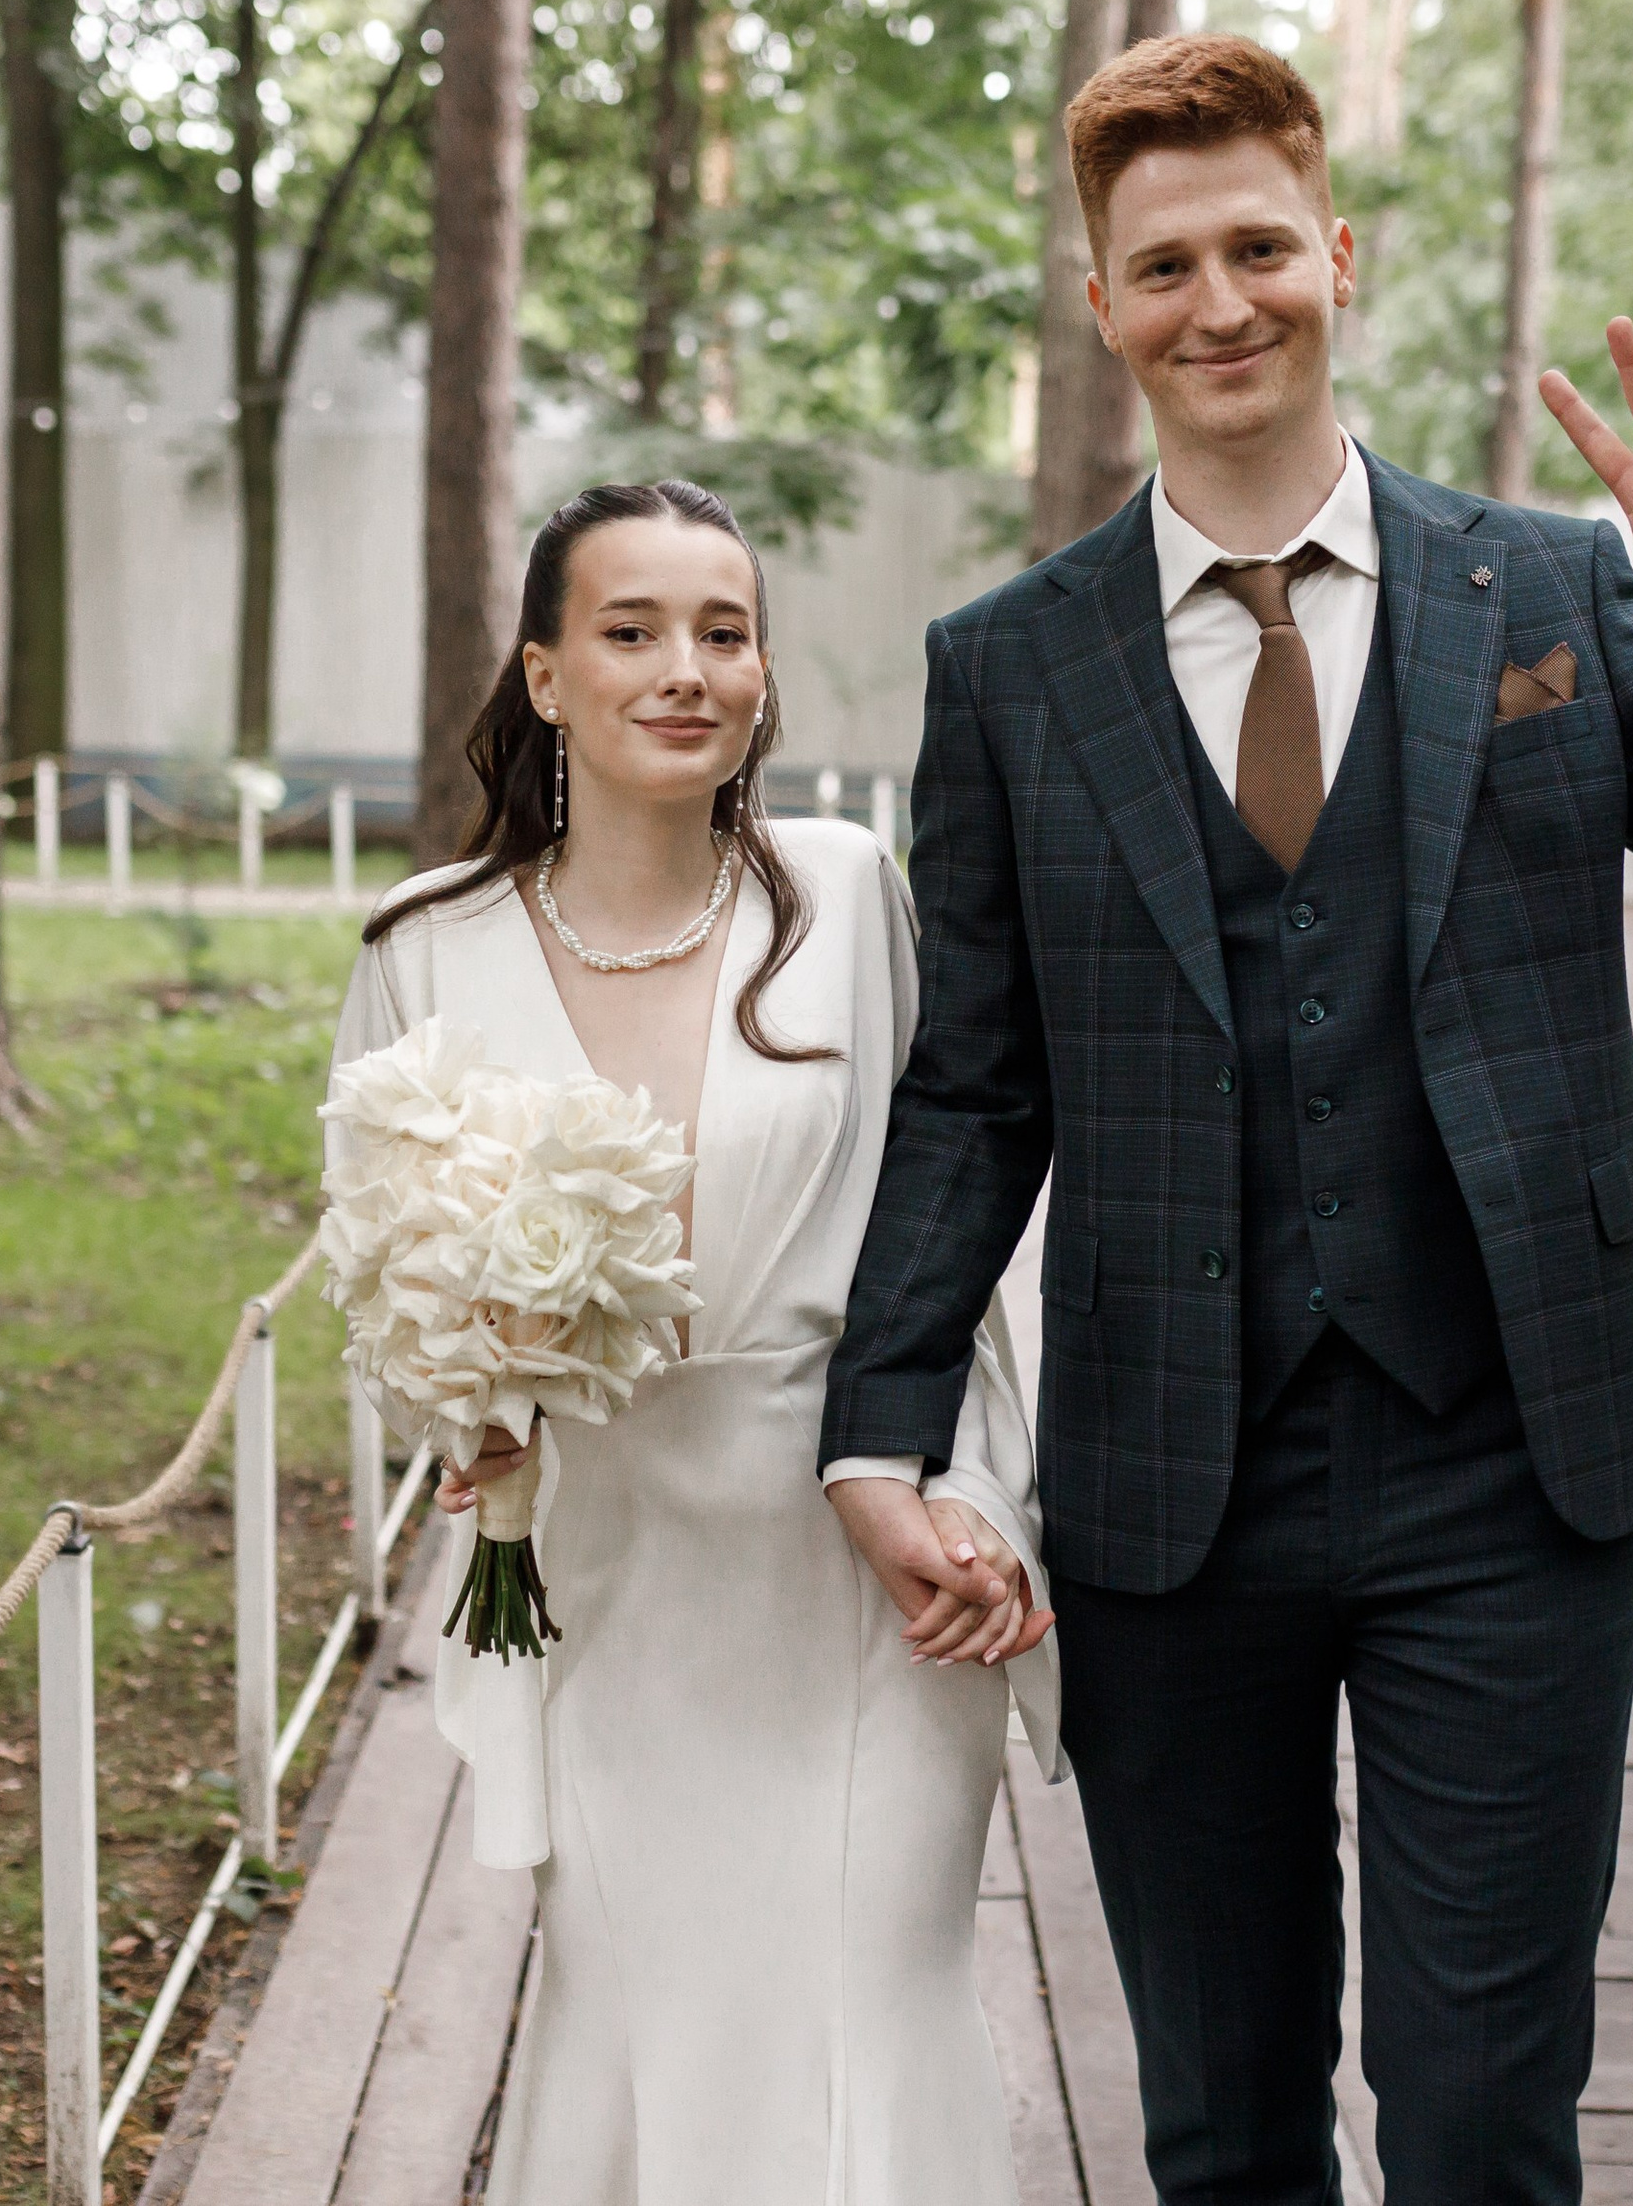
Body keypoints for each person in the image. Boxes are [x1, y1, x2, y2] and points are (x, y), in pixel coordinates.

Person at [819, 35, 1633, 2204]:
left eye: (1255, 245)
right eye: (1161, 265)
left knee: (1480, 2115)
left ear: (1337, 254)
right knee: (1223, 2121)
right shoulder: (1008, 669)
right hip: (1167, 1483)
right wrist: (880, 1430)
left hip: (1510, 1459)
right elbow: (974, 1084)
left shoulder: (1549, 590)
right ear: (1101, 304)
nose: (1215, 300)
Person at [325, 481, 1059, 2206]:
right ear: (546, 676)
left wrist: (987, 1503)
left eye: (723, 633)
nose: (685, 672)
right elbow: (380, 1274)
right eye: (631, 631)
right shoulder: (423, 948)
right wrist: (466, 1405)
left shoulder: (848, 892)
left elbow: (952, 1224)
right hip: (609, 1572)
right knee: (643, 2011)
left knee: (873, 2003)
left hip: (857, 1555)